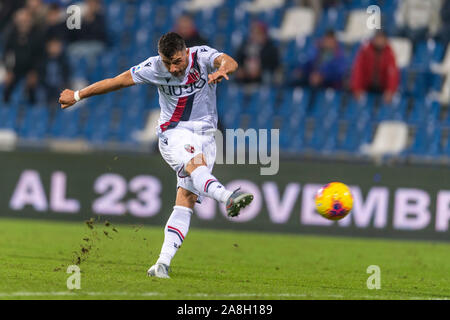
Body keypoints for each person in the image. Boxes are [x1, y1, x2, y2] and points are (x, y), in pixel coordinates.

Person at [58, 32, 254, 279]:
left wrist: (223, 69)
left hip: (207, 135)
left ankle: (161, 264)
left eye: (178, 61)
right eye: (168, 62)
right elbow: (117, 81)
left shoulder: (202, 56)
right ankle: (227, 197)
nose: (173, 68)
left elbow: (230, 62)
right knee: (196, 165)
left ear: (185, 51)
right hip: (174, 133)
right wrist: (77, 95)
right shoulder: (153, 67)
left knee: (187, 197)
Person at [2, 8, 43, 104]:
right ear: (16, 21)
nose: (23, 23)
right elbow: (7, 54)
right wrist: (8, 70)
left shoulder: (37, 35)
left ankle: (35, 110)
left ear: (31, 21)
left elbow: (40, 56)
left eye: (26, 21)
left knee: (33, 87)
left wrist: (35, 72)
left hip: (32, 68)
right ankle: (5, 108)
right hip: (15, 69)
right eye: (21, 21)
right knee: (7, 86)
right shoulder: (10, 35)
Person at [350, 30, 399, 104]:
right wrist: (357, 88)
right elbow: (358, 70)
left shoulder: (389, 53)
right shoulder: (365, 51)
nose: (379, 41)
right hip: (366, 87)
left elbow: (392, 74)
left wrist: (390, 90)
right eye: (377, 38)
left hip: (382, 88)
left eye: (381, 38)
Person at [235, 21, 280, 85]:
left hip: (262, 76)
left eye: (258, 33)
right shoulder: (245, 45)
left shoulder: (270, 47)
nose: (255, 36)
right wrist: (242, 68)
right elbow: (238, 59)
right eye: (253, 33)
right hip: (246, 75)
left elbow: (274, 64)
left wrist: (260, 69)